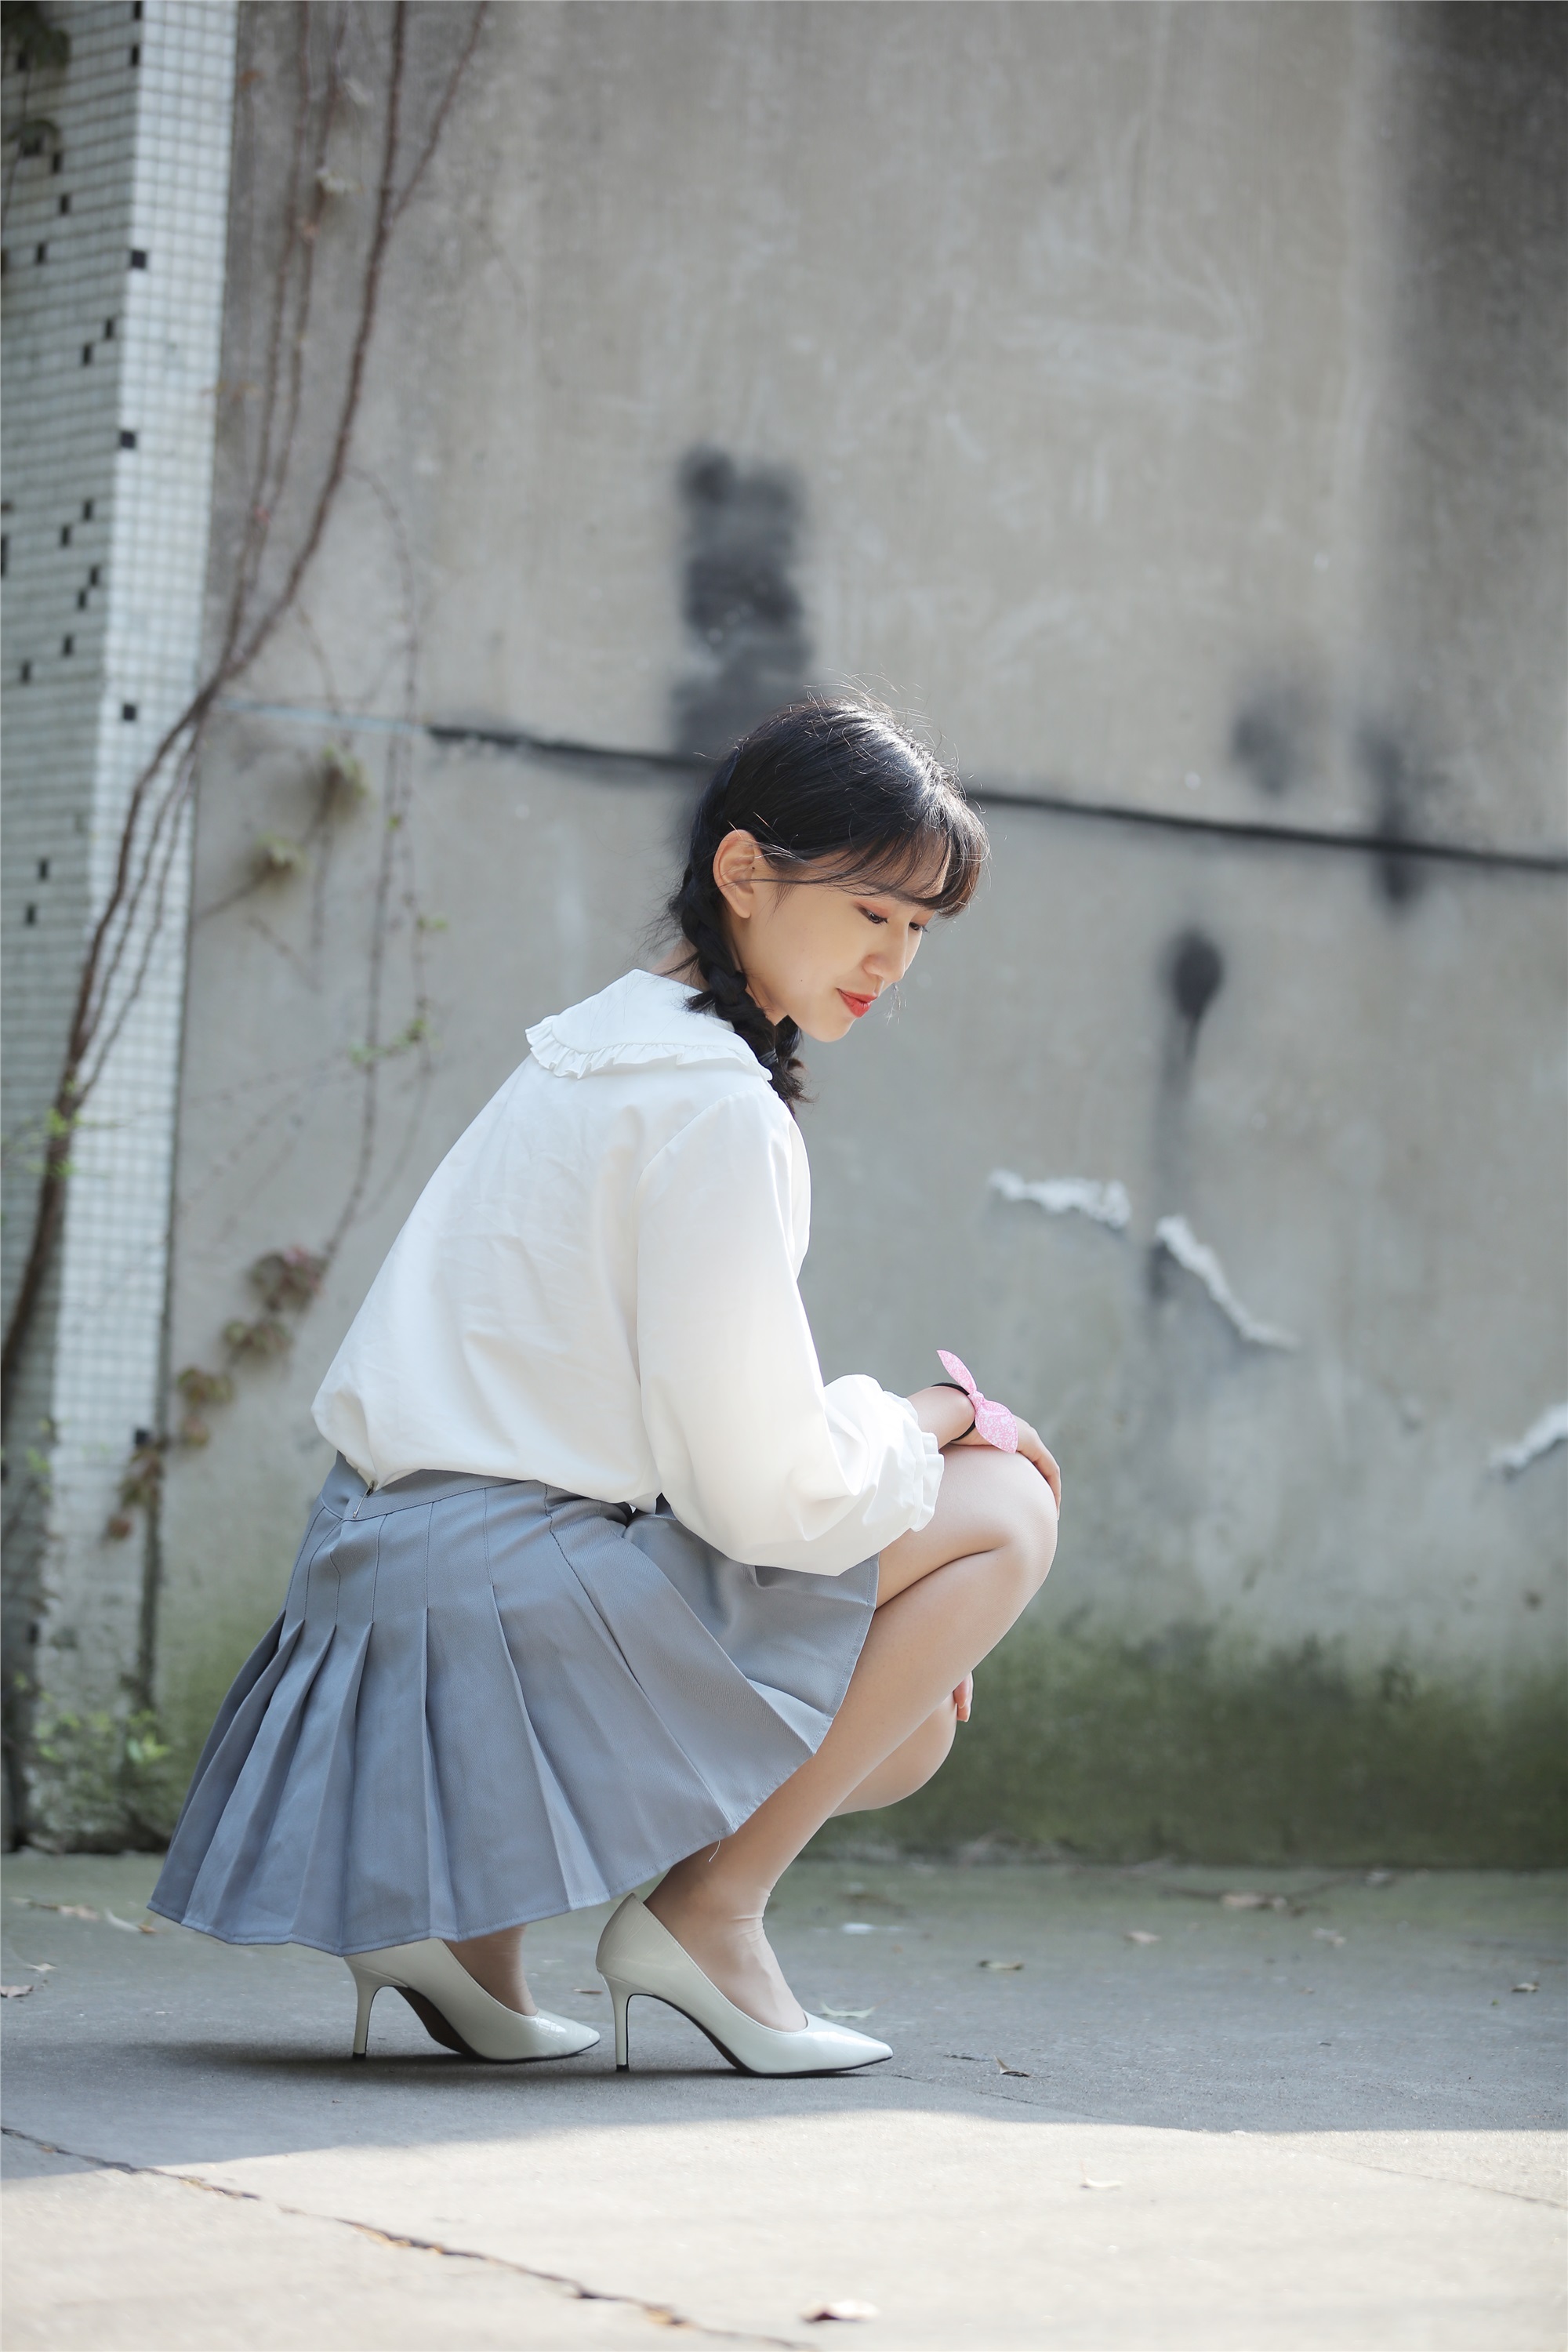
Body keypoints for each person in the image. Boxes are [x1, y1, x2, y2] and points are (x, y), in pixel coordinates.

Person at [151, 699, 1061, 2078]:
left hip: (371, 1582)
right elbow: (762, 1491)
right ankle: (710, 1912)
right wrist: (933, 1427)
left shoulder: (583, 1052)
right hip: (504, 1606)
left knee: (914, 1708)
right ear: (746, 874)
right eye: (873, 908)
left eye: (921, 927)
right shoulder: (711, 1101)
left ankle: (465, 1934)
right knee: (1003, 1505)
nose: (896, 957)